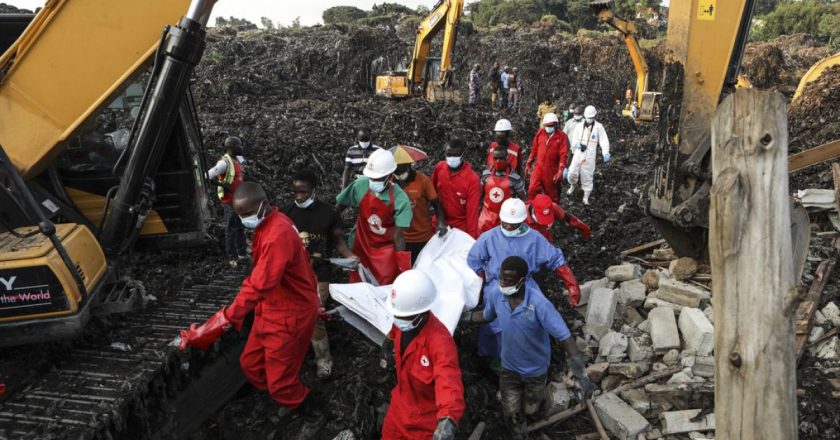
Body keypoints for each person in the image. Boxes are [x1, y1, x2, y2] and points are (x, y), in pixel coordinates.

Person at [178, 182, 320, 417]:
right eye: (240, 215)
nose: (244, 220)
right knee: (250, 365)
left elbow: (258, 285)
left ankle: (307, 407)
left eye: (246, 214)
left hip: (289, 314)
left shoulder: (277, 236)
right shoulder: (268, 224)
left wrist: (223, 320)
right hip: (272, 307)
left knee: (280, 384)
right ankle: (278, 391)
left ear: (263, 205)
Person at [461, 257, 594, 437]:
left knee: (531, 407)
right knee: (511, 410)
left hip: (536, 371)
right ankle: (517, 428)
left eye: (508, 280)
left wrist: (580, 373)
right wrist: (463, 317)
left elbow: (565, 337)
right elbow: (486, 316)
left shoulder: (539, 304)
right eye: (501, 278)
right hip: (509, 368)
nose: (502, 283)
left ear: (523, 280)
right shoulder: (496, 296)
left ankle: (531, 413)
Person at [467, 198, 582, 361]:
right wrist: (484, 279)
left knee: (536, 315)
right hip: (496, 285)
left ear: (521, 221)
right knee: (494, 321)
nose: (507, 227)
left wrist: (572, 284)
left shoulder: (534, 238)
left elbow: (555, 259)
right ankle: (492, 356)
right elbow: (474, 259)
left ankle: (535, 353)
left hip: (525, 284)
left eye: (512, 224)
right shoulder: (490, 237)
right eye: (505, 222)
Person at [281, 169, 358, 379]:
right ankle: (293, 356)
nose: (299, 196)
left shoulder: (328, 214)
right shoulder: (285, 214)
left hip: (319, 273)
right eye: (295, 192)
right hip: (293, 276)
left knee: (315, 314)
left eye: (304, 192)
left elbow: (339, 242)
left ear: (314, 190)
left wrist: (350, 257)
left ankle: (324, 360)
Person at [381, 270, 465, 440]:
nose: (398, 319)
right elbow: (393, 333)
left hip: (425, 423)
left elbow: (448, 382)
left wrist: (447, 421)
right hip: (399, 408)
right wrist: (387, 344)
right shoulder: (404, 322)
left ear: (421, 313)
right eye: (397, 315)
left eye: (402, 316)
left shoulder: (440, 343)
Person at [336, 148, 412, 285]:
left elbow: (399, 236)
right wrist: (334, 229)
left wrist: (402, 265)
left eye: (379, 178)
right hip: (361, 243)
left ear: (390, 176)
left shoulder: (401, 199)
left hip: (385, 249)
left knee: (384, 285)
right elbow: (339, 206)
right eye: (372, 178)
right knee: (358, 284)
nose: (374, 181)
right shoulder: (360, 186)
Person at [393, 161, 448, 263]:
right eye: (396, 172)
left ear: (408, 166)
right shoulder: (391, 182)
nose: (399, 174)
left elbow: (436, 204)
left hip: (423, 237)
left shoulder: (423, 181)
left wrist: (441, 222)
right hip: (401, 238)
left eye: (402, 171)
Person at [206, 136, 246, 266]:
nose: (241, 148)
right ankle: (232, 258)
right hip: (229, 201)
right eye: (239, 146)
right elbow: (208, 175)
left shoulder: (238, 160)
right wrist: (224, 186)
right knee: (231, 228)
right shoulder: (224, 163)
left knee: (239, 227)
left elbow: (243, 165)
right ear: (231, 148)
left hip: (239, 199)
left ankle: (242, 254)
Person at [431, 138, 481, 239]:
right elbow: (431, 194)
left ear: (462, 155)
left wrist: (470, 239)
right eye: (449, 154)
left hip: (460, 229)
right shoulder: (439, 168)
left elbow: (472, 213)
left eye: (456, 155)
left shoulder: (472, 179)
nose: (452, 157)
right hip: (439, 224)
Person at [567, 105, 611, 205]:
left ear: (594, 116)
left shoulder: (599, 127)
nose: (589, 119)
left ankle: (585, 198)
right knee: (571, 173)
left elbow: (604, 141)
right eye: (587, 117)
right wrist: (576, 144)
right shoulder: (579, 126)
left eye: (591, 117)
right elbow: (574, 139)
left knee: (587, 176)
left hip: (590, 155)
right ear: (584, 116)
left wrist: (606, 153)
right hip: (578, 154)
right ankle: (573, 185)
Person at [479, 145, 527, 234]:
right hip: (486, 217)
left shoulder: (515, 179)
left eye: (501, 158)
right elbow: (479, 195)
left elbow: (523, 200)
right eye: (496, 158)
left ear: (507, 158)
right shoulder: (486, 175)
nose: (498, 161)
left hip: (506, 218)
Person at [525, 113, 569, 203]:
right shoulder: (540, 133)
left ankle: (552, 212)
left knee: (551, 194)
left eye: (551, 125)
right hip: (539, 168)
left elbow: (563, 155)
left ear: (556, 124)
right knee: (532, 189)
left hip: (552, 170)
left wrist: (560, 170)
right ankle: (531, 209)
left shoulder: (561, 136)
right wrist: (528, 163)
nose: (548, 127)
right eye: (547, 125)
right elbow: (534, 149)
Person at [525, 194, 591, 243]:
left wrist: (584, 229)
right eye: (542, 218)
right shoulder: (521, 218)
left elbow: (569, 218)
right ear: (533, 209)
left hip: (546, 241)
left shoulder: (554, 208)